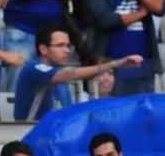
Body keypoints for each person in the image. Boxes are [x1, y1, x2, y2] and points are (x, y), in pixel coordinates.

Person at [13, 22, 141, 121]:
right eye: (60, 45)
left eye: (68, 46)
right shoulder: (33, 68)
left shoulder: (61, 75)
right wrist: (115, 64)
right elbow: (70, 74)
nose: (67, 51)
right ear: (43, 49)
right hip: (29, 135)